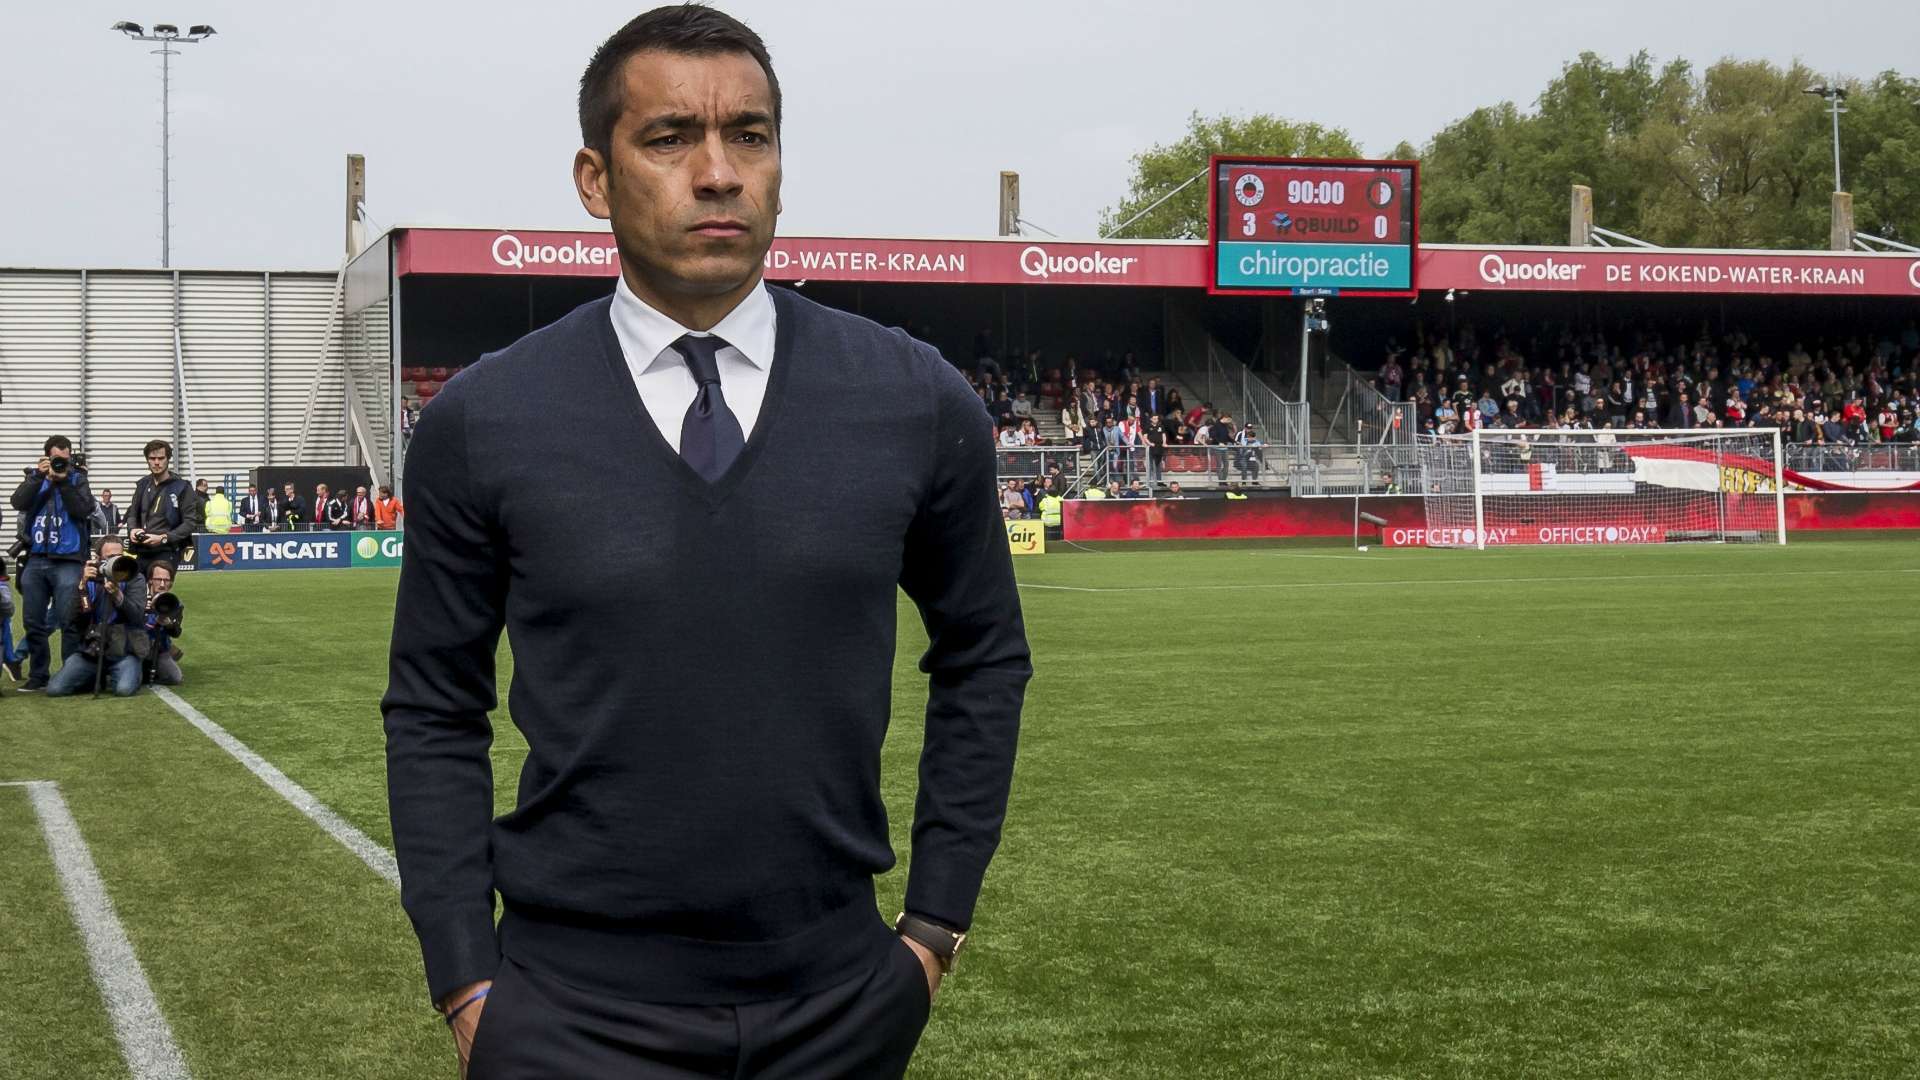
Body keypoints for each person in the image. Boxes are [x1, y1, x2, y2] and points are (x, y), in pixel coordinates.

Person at [382, 10, 1031, 1078]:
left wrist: (933, 929)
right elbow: (433, 705)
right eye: (671, 137)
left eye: (751, 136)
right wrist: (464, 976)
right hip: (567, 1013)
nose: (719, 172)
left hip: (840, 1002)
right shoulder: (485, 419)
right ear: (595, 179)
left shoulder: (916, 400)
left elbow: (985, 655)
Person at [11, 435, 99, 692]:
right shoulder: (36, 478)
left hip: (69, 560)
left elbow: (83, 510)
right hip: (36, 557)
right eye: (56, 459)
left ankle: (69, 675)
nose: (61, 464)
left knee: (69, 620)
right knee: (33, 621)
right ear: (46, 458)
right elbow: (18, 502)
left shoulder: (78, 479)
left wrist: (64, 482)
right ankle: (38, 675)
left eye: (65, 459)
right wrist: (39, 477)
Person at [47, 537, 148, 698]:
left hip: (124, 650)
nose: (116, 561)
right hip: (91, 651)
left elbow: (137, 617)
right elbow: (71, 619)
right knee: (55, 689)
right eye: (110, 557)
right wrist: (82, 586)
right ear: (98, 558)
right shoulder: (87, 578)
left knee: (124, 689)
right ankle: (95, 677)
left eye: (119, 556)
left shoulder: (134, 577)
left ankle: (128, 671)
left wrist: (118, 596)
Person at [126, 440, 199, 575]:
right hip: (142, 549)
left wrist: (163, 538)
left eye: (161, 458)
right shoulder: (142, 484)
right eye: (152, 458)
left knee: (158, 584)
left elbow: (190, 522)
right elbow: (132, 514)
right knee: (135, 586)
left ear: (168, 459)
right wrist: (132, 529)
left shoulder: (182, 487)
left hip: (167, 549)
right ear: (147, 460)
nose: (156, 462)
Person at [143, 561, 185, 686]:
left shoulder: (174, 603)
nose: (162, 584)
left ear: (171, 583)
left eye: (166, 580)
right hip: (137, 647)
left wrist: (169, 624)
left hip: (160, 649)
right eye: (158, 579)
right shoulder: (139, 598)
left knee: (175, 678)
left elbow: (176, 632)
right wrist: (150, 617)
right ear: (150, 580)